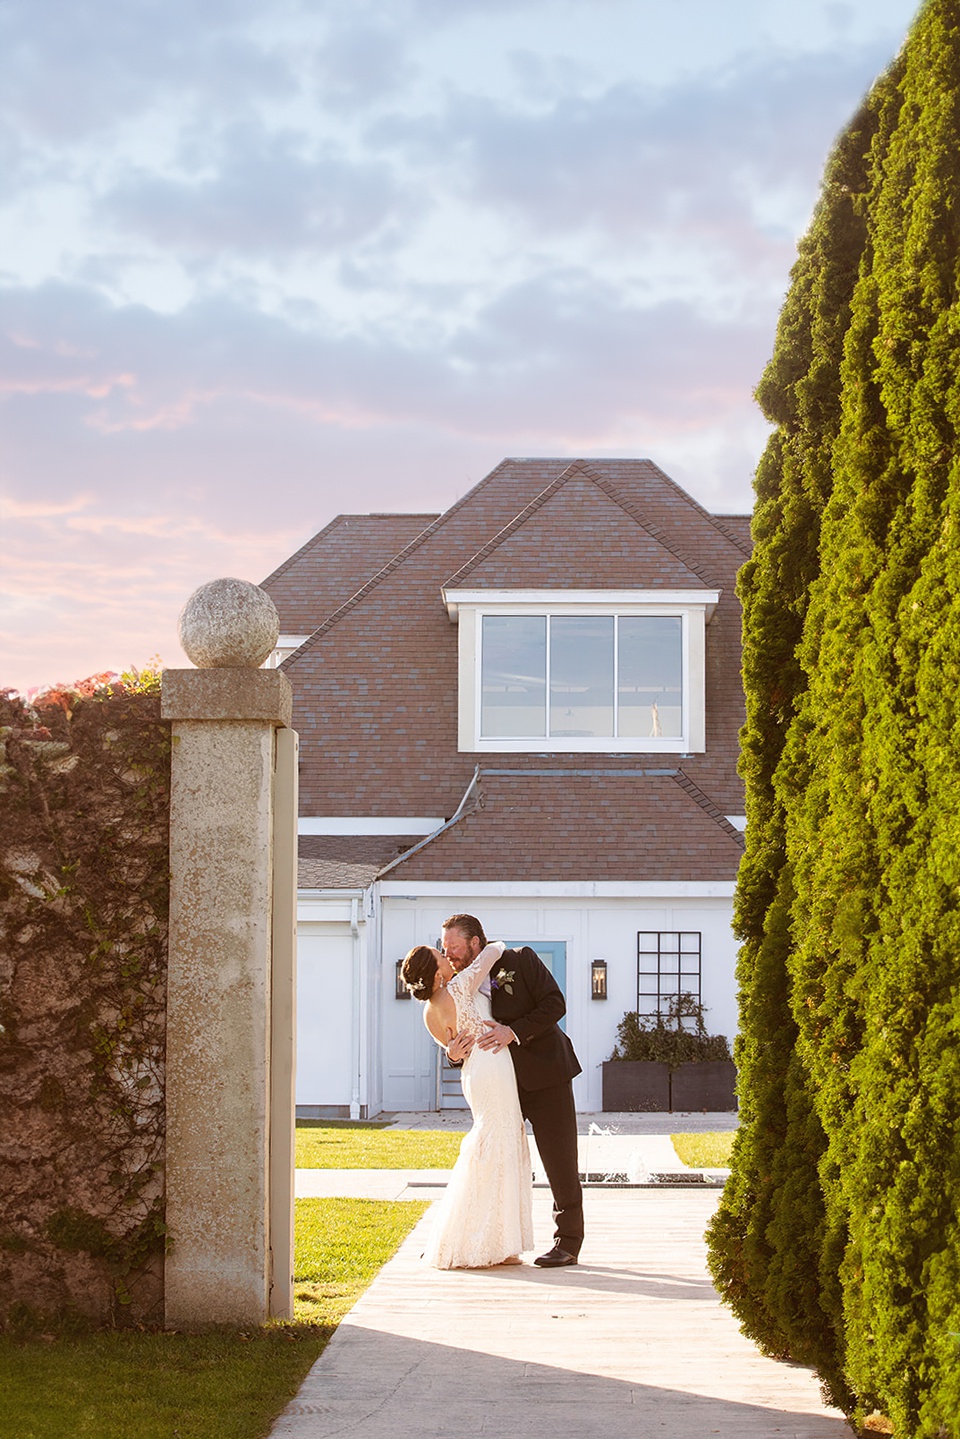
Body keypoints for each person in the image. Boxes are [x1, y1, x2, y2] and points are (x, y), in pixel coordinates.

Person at [441, 914, 583, 1268]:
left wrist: (512, 1031)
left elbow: (555, 1004)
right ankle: (478, 1240)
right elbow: (462, 1037)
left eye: (454, 947)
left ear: (475, 943)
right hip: (501, 1086)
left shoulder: (521, 959)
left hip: (547, 1074)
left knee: (559, 1160)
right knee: (493, 1157)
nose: (450, 955)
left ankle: (568, 1243)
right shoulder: (458, 985)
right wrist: (453, 1054)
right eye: (445, 949)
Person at [400, 938, 533, 1269]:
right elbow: (493, 952)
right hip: (494, 1065)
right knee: (500, 1144)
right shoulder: (459, 986)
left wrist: (451, 1053)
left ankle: (496, 1241)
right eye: (439, 955)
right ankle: (490, 1241)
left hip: (475, 1074)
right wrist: (489, 943)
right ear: (434, 975)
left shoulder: (429, 1014)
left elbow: (453, 1051)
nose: (446, 957)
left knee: (491, 1143)